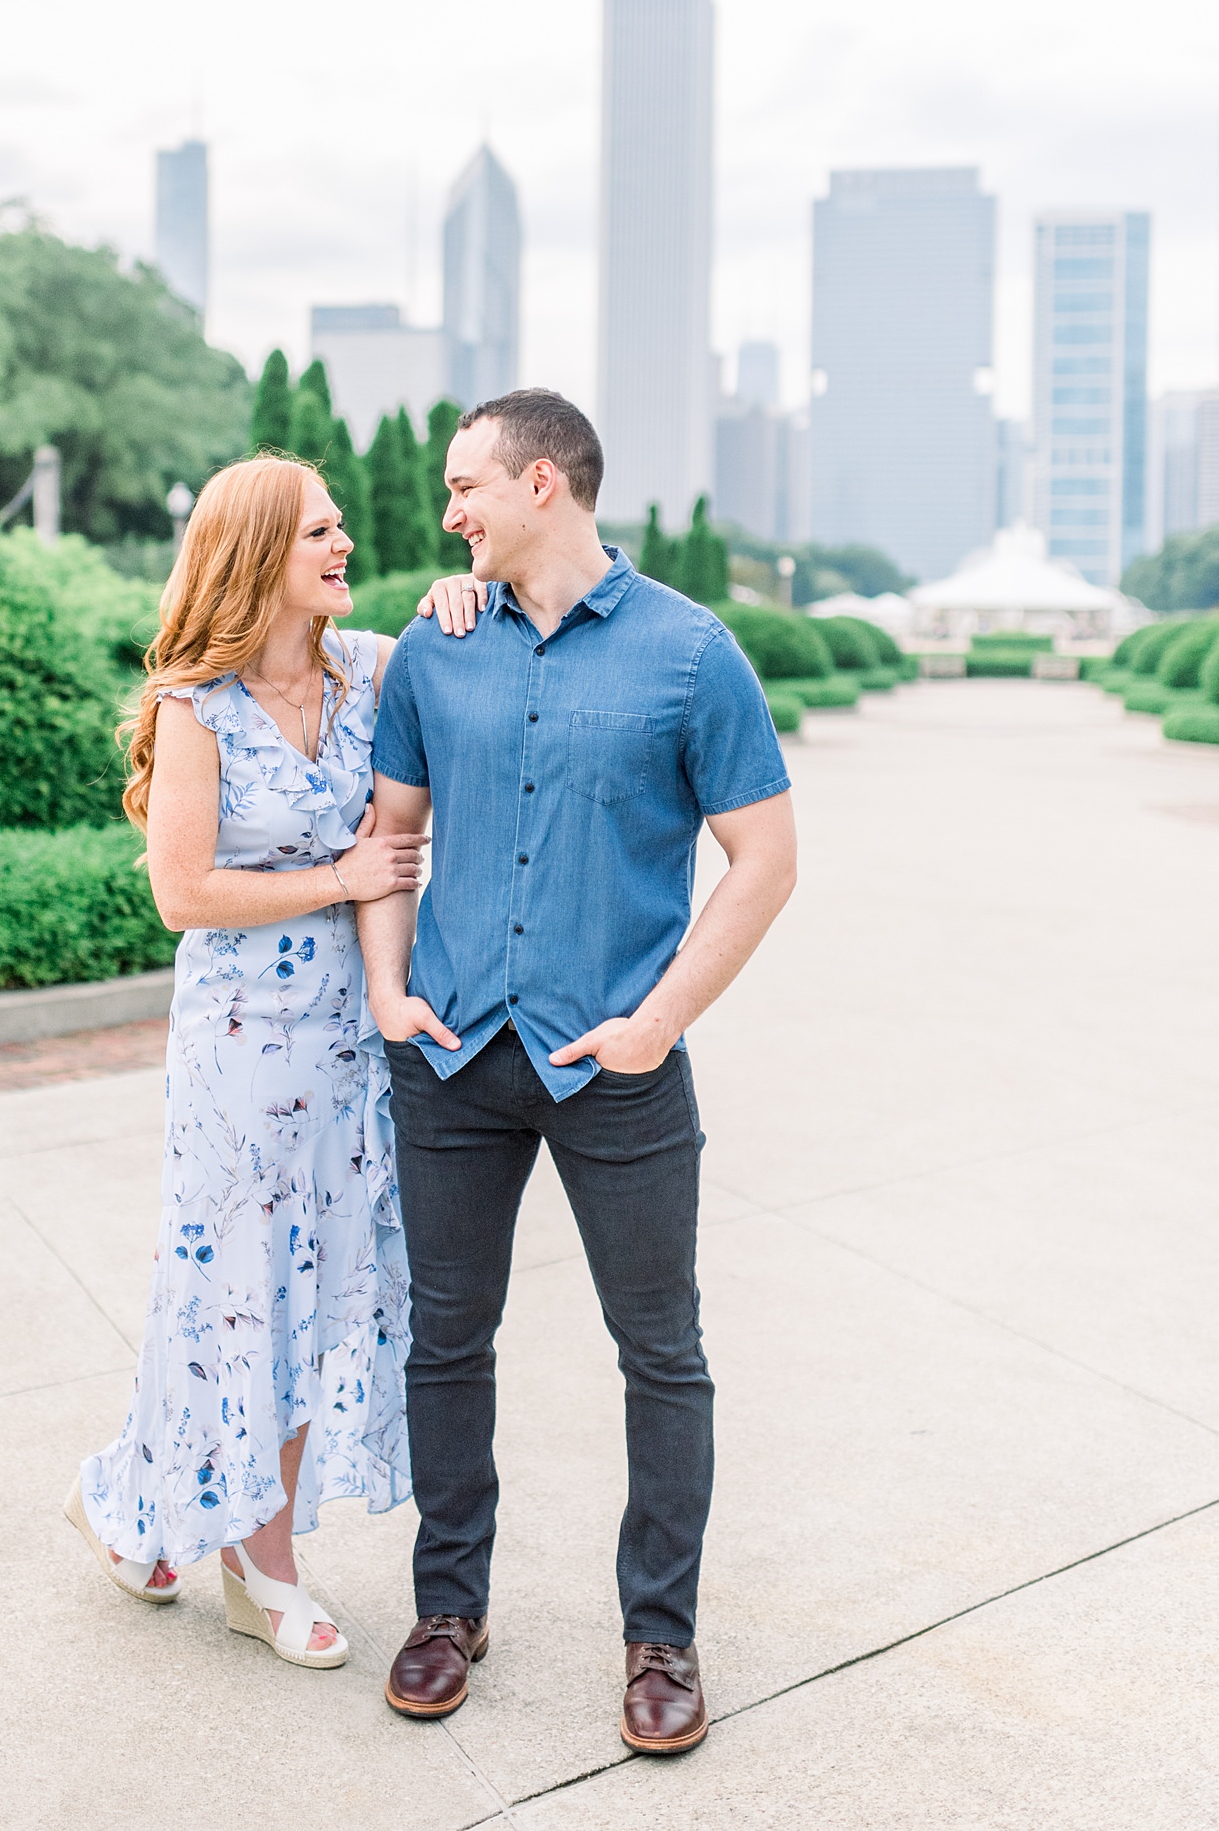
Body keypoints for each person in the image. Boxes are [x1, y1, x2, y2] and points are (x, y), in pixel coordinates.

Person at [360, 389, 798, 1754]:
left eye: (463, 488)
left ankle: (658, 1639)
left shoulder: (689, 654)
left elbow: (765, 862)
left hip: (617, 1065)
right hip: (452, 1059)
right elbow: (391, 838)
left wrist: (658, 1021)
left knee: (659, 1354)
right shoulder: (433, 653)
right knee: (445, 1338)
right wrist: (388, 990)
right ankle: (446, 1610)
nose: (447, 514)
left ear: (539, 484)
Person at [65, 455, 476, 1668]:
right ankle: (262, 1566)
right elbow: (182, 893)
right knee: (238, 1296)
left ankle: (139, 1507)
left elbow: (477, 663)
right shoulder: (199, 706)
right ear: (256, 557)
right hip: (241, 1060)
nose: (342, 546)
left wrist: (464, 602)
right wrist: (339, 880)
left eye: (342, 527)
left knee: (324, 1286)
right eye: (318, 533)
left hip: (356, 1049)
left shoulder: (377, 670)